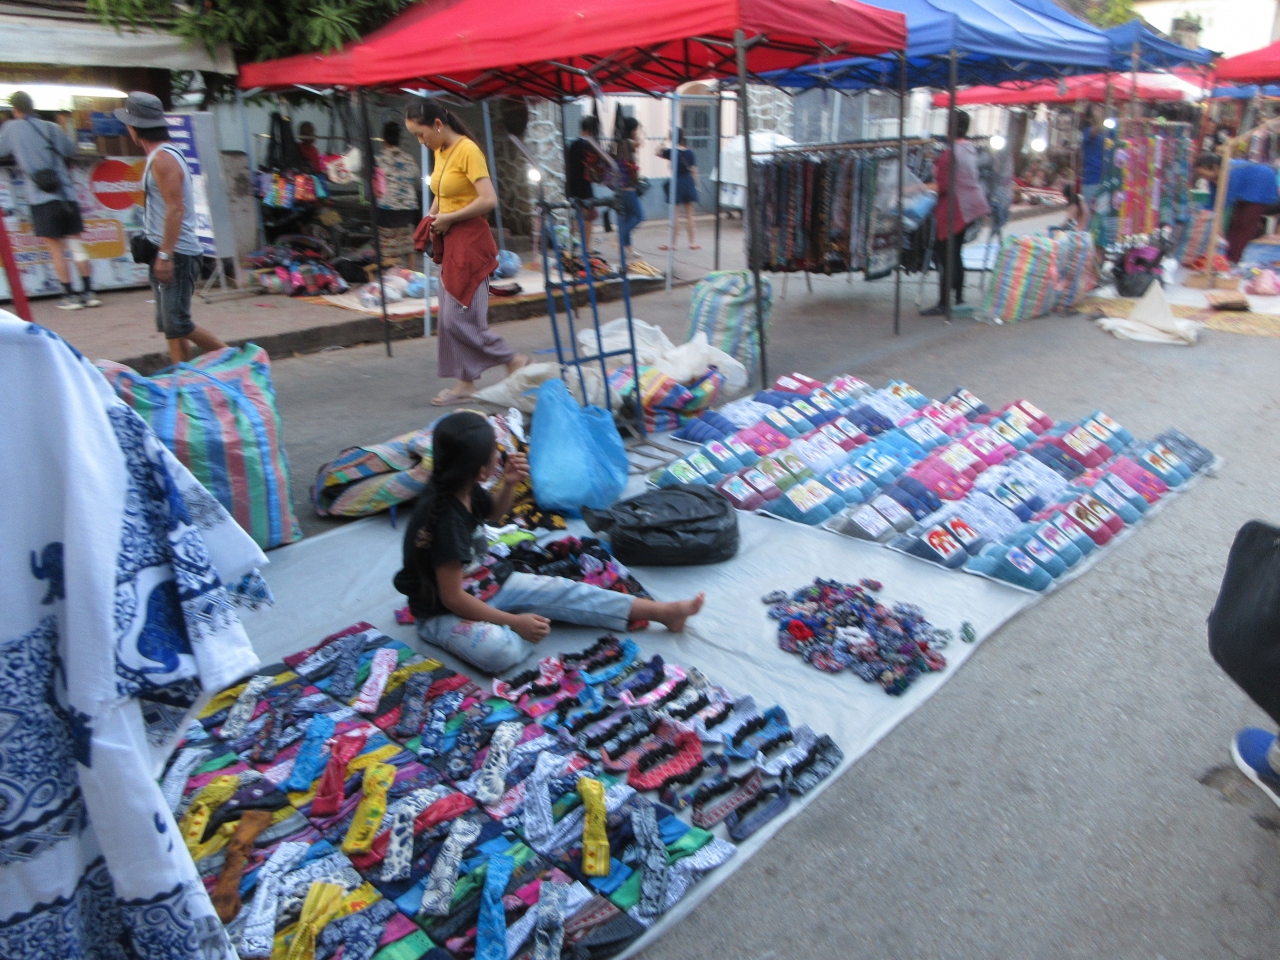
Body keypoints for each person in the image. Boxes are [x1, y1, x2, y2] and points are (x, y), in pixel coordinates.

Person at [394, 411, 705, 674]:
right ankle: (519, 627)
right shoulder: (444, 519)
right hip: (444, 612)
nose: (499, 458)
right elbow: (452, 599)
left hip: (485, 582)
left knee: (564, 589)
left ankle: (663, 612)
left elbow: (493, 515)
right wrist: (514, 621)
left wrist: (510, 484)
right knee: (498, 651)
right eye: (495, 455)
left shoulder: (462, 487)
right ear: (481, 471)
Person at [404, 100, 526, 406]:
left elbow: (488, 199)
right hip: (450, 241)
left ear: (438, 125)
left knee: (459, 319)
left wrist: (449, 218)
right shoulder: (440, 150)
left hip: (471, 242)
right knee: (448, 320)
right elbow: (441, 193)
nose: (420, 141)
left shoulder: (468, 150)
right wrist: (431, 218)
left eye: (421, 134)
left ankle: (512, 360)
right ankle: (465, 383)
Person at [115, 92, 225, 364]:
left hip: (177, 253)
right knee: (170, 327)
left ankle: (241, 360)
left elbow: (176, 209)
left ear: (135, 127)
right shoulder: (159, 156)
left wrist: (165, 255)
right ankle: (182, 377)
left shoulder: (163, 159)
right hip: (164, 250)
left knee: (178, 323)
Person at [0, 91, 100, 310]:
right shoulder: (53, 127)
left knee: (56, 249)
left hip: (41, 197)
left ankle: (69, 297)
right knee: (75, 244)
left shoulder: (11, 128)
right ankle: (89, 293)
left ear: (15, 109)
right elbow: (70, 150)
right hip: (66, 194)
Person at [922, 110, 990, 317]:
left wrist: (916, 188)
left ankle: (944, 302)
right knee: (956, 254)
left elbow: (943, 186)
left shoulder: (950, 153)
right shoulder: (968, 149)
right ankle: (959, 297)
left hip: (952, 208)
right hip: (966, 207)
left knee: (945, 257)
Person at [1194, 152, 1279, 263]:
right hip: (1244, 189)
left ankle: (1233, 260)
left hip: (1261, 184)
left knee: (1245, 225)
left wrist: (1217, 225)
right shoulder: (1212, 178)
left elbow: (1224, 202)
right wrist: (1203, 214)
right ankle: (1228, 257)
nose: (1203, 177)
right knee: (1235, 224)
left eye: (1203, 174)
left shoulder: (1230, 173)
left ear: (1215, 168)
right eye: (1200, 175)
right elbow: (1212, 201)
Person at [375, 120, 421, 262]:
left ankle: (393, 273)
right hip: (408, 208)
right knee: (408, 244)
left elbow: (375, 187)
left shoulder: (379, 160)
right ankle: (412, 273)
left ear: (384, 139)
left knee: (389, 246)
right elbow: (416, 177)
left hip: (387, 208)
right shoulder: (409, 159)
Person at [566, 115, 604, 253]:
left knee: (576, 215)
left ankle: (572, 245)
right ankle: (586, 247)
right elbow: (595, 163)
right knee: (588, 216)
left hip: (572, 183)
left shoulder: (573, 144)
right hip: (584, 184)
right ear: (591, 130)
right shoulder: (588, 146)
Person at [657, 131, 701, 250]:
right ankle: (692, 242)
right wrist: (696, 185)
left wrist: (662, 142)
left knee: (675, 215)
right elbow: (694, 170)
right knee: (690, 215)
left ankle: (673, 244)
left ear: (672, 138)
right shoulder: (690, 152)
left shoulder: (671, 152)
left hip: (676, 182)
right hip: (688, 181)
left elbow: (657, 152)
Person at [612, 116, 645, 260]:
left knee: (626, 217)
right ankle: (618, 238)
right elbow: (639, 143)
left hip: (620, 187)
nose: (637, 132)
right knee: (638, 216)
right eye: (636, 129)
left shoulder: (620, 143)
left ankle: (627, 249)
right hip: (628, 188)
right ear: (632, 130)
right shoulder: (627, 143)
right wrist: (640, 134)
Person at [1080, 108, 1106, 219]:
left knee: (1101, 216)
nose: (1100, 110)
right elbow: (1093, 132)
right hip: (1092, 179)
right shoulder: (1087, 131)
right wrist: (1101, 120)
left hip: (1103, 179)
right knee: (1091, 217)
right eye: (1097, 109)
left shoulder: (1102, 134)